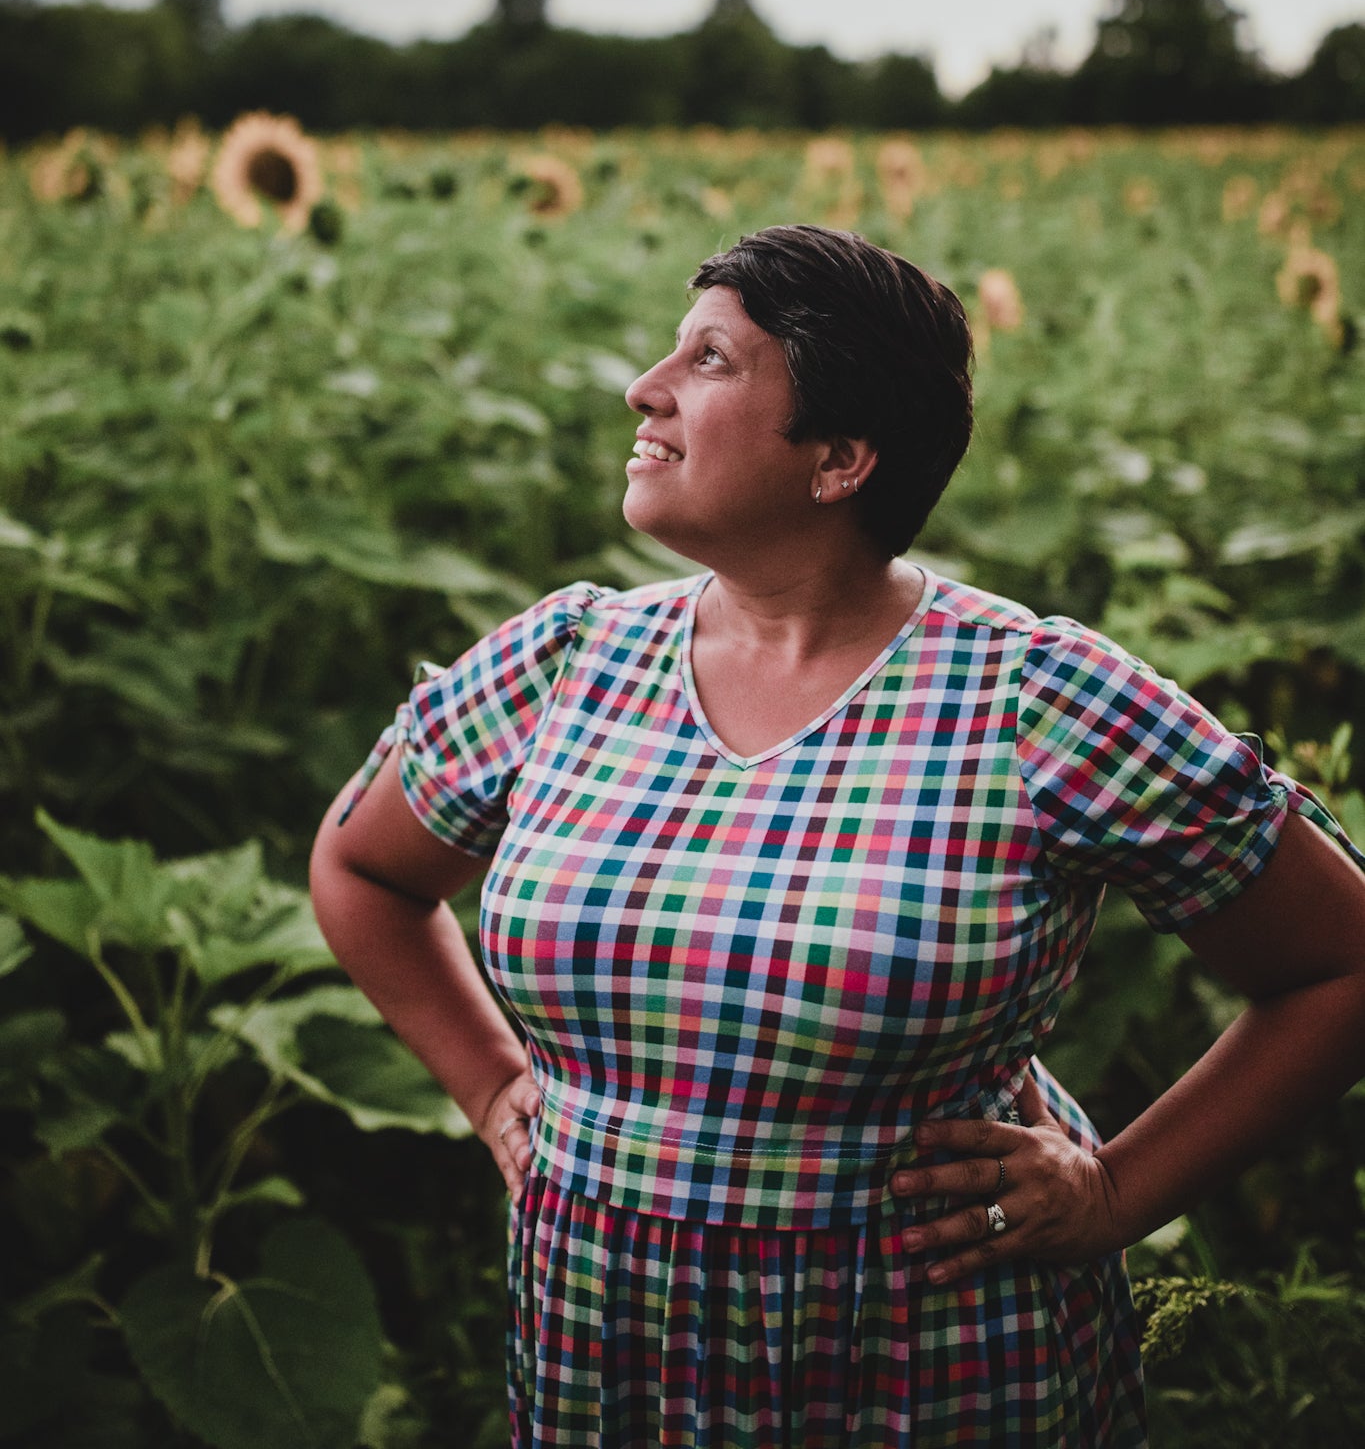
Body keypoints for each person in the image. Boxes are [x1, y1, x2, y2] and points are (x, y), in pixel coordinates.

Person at [310, 224, 1365, 1448]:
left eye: (708, 359)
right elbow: (363, 865)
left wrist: (1114, 1191)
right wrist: (494, 1087)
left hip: (930, 1363)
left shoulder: (1034, 697)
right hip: (607, 1348)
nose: (643, 388)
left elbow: (1339, 962)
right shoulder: (567, 658)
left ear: (841, 457)